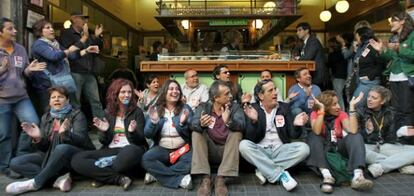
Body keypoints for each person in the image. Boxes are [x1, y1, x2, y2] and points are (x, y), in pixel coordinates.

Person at [5, 86, 95, 194]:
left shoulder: (77, 115)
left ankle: (35, 183)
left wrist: (65, 134)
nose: (56, 99)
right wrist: (38, 138)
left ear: (67, 100)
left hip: (74, 155)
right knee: (16, 162)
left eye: (60, 97)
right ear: (50, 102)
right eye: (53, 97)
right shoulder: (46, 117)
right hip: (50, 154)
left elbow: (81, 140)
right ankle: (56, 180)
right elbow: (44, 147)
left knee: (61, 148)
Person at [71, 79, 147, 190]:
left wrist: (132, 132)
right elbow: (103, 141)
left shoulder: (137, 112)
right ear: (115, 94)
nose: (127, 95)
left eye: (129, 92)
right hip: (111, 149)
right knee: (77, 160)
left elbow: (140, 140)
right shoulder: (108, 112)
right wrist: (104, 130)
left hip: (131, 149)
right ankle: (118, 178)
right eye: (123, 92)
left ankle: (100, 176)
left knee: (124, 158)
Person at [239, 79, 310, 191]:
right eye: (270, 90)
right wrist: (254, 122)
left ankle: (263, 168)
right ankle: (281, 175)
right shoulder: (252, 108)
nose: (275, 93)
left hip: (280, 150)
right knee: (243, 145)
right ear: (261, 95)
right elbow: (250, 138)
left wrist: (296, 125)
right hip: (260, 150)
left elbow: (292, 134)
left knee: (304, 149)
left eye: (275, 89)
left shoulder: (284, 107)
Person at [0, 17, 46, 178]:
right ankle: (5, 166)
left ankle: (20, 158)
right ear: (0, 32)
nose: (15, 31)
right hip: (2, 100)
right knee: (4, 134)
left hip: (21, 97)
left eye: (14, 28)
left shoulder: (20, 49)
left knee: (33, 124)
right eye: (10, 29)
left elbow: (23, 72)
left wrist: (30, 70)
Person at [307, 90, 373, 193]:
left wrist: (351, 108)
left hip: (338, 146)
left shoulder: (341, 114)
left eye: (338, 103)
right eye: (334, 104)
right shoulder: (316, 114)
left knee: (356, 136)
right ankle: (327, 176)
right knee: (313, 137)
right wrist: (322, 111)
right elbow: (317, 131)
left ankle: (358, 176)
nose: (338, 106)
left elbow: (353, 130)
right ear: (326, 106)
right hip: (323, 149)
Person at [31, 19, 99, 112]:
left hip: (59, 83)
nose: (52, 30)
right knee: (49, 112)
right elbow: (54, 56)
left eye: (52, 27)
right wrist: (82, 39)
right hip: (46, 85)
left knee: (67, 109)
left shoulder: (55, 44)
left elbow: (71, 56)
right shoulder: (39, 44)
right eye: (48, 28)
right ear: (40, 32)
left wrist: (86, 50)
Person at [190, 80, 245, 196]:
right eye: (226, 94)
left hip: (228, 150)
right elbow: (192, 124)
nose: (230, 96)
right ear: (216, 98)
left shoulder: (235, 107)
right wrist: (200, 124)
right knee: (196, 133)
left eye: (230, 93)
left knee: (236, 133)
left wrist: (229, 121)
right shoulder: (203, 107)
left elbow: (242, 125)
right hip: (210, 150)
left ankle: (221, 179)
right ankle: (205, 179)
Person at [350, 86, 414, 178]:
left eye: (374, 98)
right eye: (369, 96)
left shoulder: (391, 112)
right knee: (358, 151)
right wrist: (367, 131)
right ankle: (401, 164)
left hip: (385, 146)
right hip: (368, 146)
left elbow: (390, 139)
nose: (369, 100)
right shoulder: (361, 111)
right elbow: (354, 134)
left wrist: (399, 133)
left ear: (383, 101)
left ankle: (380, 167)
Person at [141, 80, 193, 189]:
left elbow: (192, 131)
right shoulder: (156, 109)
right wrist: (154, 122)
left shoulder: (185, 108)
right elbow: (147, 134)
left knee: (193, 161)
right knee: (146, 159)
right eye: (171, 89)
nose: (175, 91)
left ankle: (157, 175)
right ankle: (180, 180)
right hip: (162, 148)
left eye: (177, 89)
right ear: (164, 92)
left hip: (182, 149)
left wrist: (183, 124)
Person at [370, 11, 414, 136]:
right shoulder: (394, 37)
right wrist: (381, 51)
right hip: (394, 77)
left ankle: (408, 138)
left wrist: (400, 48)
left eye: (393, 20)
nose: (391, 24)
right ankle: (398, 136)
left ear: (402, 21)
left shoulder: (413, 36)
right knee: (395, 109)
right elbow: (391, 57)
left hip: (407, 78)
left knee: (406, 109)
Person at [58, 11, 105, 119]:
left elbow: (98, 48)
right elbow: (69, 53)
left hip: (89, 72)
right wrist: (84, 38)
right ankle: (75, 126)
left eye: (86, 19)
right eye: (83, 19)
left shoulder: (86, 34)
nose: (85, 21)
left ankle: (101, 128)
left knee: (96, 101)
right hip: (75, 72)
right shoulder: (66, 33)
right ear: (74, 19)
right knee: (75, 102)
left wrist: (98, 36)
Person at [351, 27, 384, 108]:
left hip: (369, 81)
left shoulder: (372, 46)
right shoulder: (362, 46)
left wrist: (370, 76)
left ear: (361, 36)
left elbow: (382, 63)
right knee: (362, 107)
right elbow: (356, 61)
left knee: (355, 105)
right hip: (362, 80)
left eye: (357, 36)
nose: (356, 39)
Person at [295, 22, 327, 89]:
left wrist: (297, 58)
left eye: (299, 30)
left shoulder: (313, 41)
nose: (297, 33)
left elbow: (308, 57)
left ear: (307, 31)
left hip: (317, 74)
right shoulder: (305, 42)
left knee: (317, 96)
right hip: (312, 73)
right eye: (297, 31)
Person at [327, 37, 347, 110]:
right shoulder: (343, 52)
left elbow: (329, 64)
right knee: (342, 94)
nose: (328, 45)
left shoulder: (334, 54)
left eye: (329, 44)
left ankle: (341, 112)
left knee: (338, 95)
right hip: (345, 75)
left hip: (338, 76)